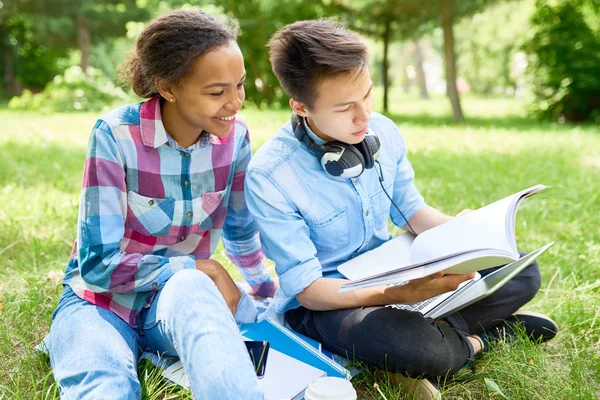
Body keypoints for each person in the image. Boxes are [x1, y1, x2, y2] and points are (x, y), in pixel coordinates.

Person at [244, 20, 557, 399]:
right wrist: (399, 294)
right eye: (345, 108)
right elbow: (309, 291)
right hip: (330, 302)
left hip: (395, 268)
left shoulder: (383, 133)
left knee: (520, 270)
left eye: (367, 96)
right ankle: (477, 342)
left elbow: (411, 212)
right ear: (301, 106)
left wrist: (460, 233)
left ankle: (429, 341)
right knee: (416, 346)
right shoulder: (270, 176)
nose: (364, 117)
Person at [46, 9, 275, 400]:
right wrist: (199, 266)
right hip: (99, 303)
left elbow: (239, 225)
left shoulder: (235, 139)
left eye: (239, 85)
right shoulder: (114, 135)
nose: (236, 102)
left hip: (180, 301)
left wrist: (261, 289)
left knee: (194, 291)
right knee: (106, 390)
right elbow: (98, 266)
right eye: (217, 92)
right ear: (168, 88)